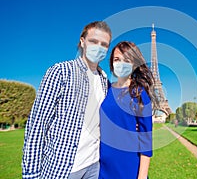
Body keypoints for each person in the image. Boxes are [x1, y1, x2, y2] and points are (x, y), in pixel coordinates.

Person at [22, 21, 112, 179]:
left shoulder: (105, 81)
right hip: (62, 167)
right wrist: (31, 174)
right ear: (82, 42)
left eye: (104, 44)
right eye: (93, 41)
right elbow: (37, 124)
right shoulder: (60, 72)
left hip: (94, 166)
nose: (98, 47)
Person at [99, 41, 157, 179]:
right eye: (117, 59)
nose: (121, 64)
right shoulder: (105, 89)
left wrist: (142, 176)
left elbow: (146, 141)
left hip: (129, 168)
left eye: (127, 60)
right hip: (102, 168)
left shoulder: (140, 94)